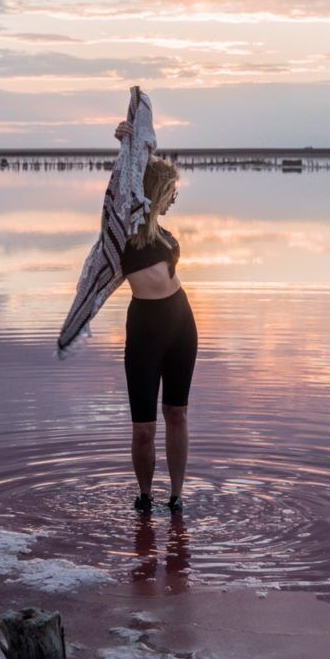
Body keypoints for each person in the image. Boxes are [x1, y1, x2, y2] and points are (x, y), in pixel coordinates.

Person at [114, 118, 198, 515]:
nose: (174, 200)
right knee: (144, 428)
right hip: (145, 327)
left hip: (181, 322)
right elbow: (120, 190)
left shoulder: (163, 233)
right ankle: (145, 496)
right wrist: (126, 147)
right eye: (171, 192)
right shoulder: (125, 229)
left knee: (177, 413)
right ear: (156, 191)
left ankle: (177, 495)